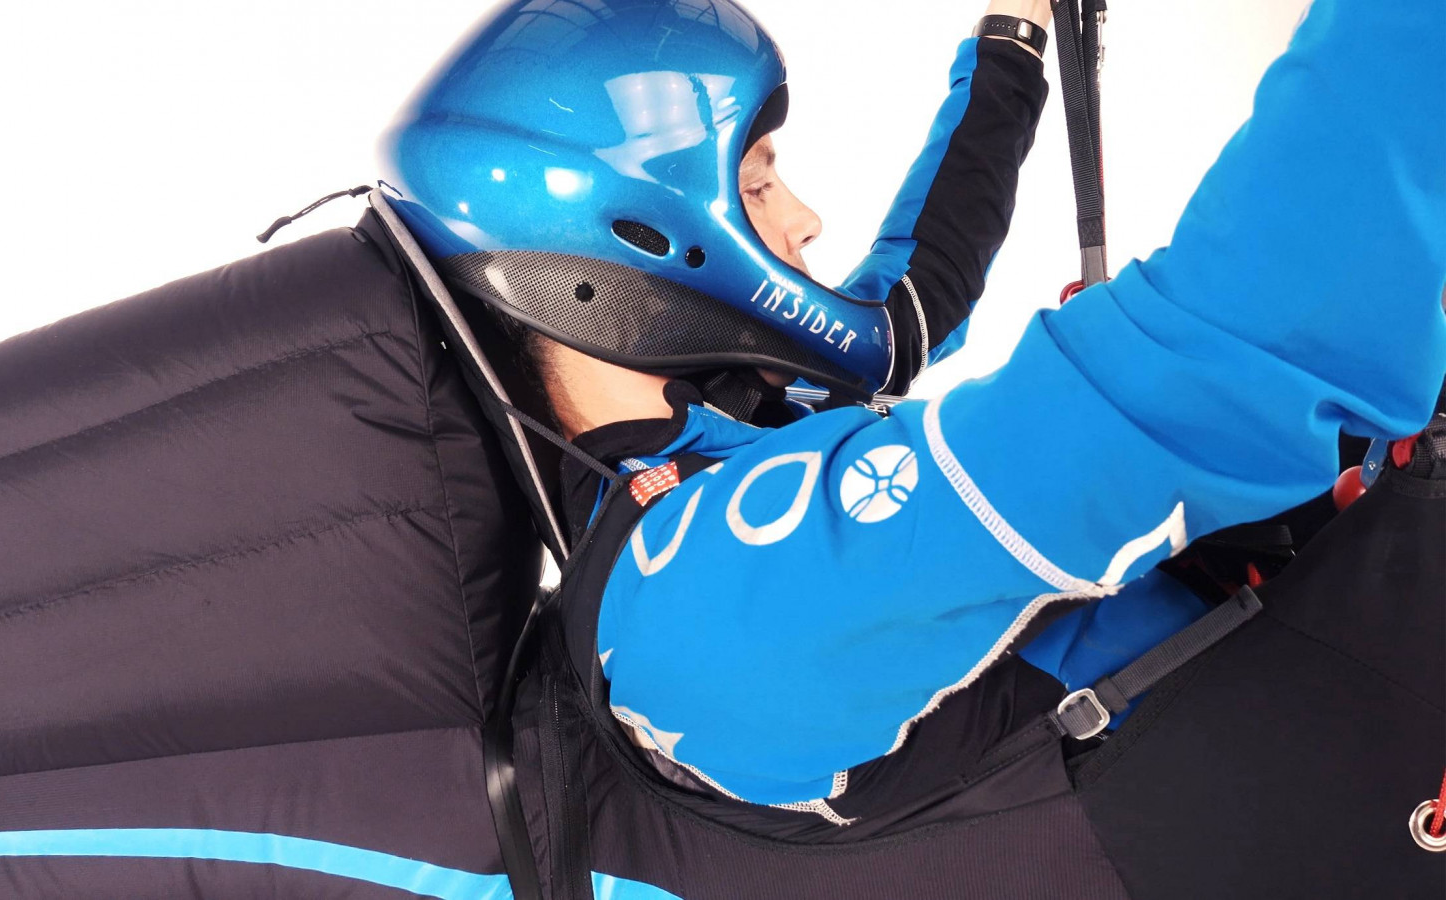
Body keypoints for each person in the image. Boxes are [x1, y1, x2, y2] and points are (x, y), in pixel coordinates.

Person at [381, 0, 1446, 822]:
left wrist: (1010, 37)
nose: (804, 220)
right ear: (627, 242)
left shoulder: (734, 431)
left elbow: (912, 292)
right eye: (756, 185)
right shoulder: (704, 594)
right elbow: (1220, 361)